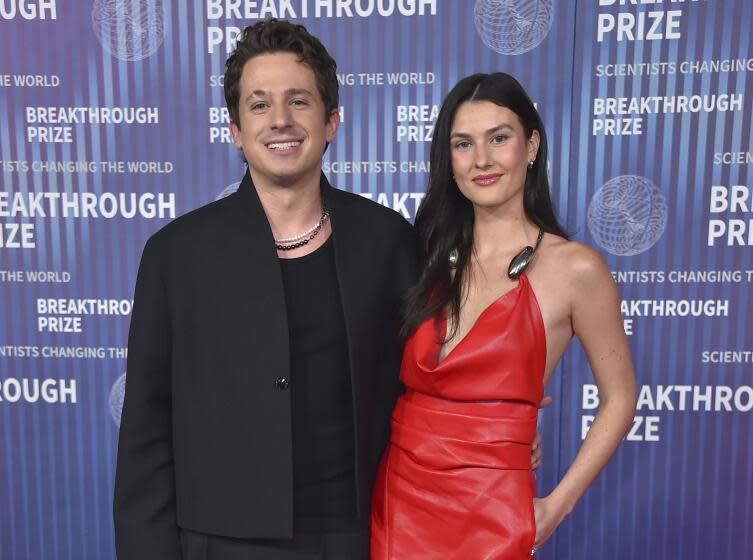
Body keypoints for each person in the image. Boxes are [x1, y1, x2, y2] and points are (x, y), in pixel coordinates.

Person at [113, 19, 416, 559]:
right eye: (259, 105)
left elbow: (421, 384)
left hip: (356, 538)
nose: (281, 120)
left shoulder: (387, 240)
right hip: (219, 541)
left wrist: (488, 430)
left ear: (332, 121)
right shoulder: (176, 254)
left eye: (299, 101)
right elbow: (145, 433)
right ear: (234, 129)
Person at [370, 72, 637, 559]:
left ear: (531, 146)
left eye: (499, 138)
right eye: (463, 144)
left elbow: (620, 398)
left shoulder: (576, 268)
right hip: (400, 500)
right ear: (448, 160)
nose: (482, 161)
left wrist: (554, 508)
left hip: (495, 512)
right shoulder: (424, 254)